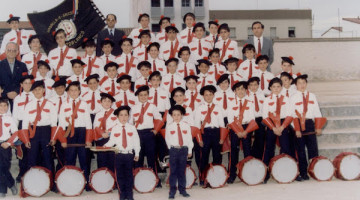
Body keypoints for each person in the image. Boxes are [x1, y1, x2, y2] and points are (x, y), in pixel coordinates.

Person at [57, 81, 93, 191]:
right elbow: (61, 124)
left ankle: (86, 183)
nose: (73, 92)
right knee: (70, 160)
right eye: (71, 90)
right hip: (69, 133)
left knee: (84, 160)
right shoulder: (64, 104)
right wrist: (63, 140)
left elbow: (88, 123)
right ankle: (70, 183)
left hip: (82, 133)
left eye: (75, 90)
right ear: (67, 92)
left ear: (79, 91)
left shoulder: (84, 104)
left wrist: (88, 139)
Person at [290, 74, 325, 181]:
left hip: (310, 124)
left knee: (313, 149)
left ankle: (315, 170)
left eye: (304, 83)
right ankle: (303, 172)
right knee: (300, 150)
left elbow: (317, 112)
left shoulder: (312, 96)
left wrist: (318, 127)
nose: (302, 85)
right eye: (299, 83)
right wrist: (296, 129)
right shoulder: (293, 97)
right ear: (296, 85)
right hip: (298, 125)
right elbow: (291, 115)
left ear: (306, 84)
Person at [22, 81, 57, 184]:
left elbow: (54, 123)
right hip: (33, 132)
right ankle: (31, 183)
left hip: (46, 131)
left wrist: (53, 138)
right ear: (32, 92)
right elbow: (25, 123)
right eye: (35, 90)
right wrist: (26, 139)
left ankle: (51, 183)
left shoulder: (50, 104)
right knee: (32, 158)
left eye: (40, 89)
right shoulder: (28, 105)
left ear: (44, 90)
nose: (37, 91)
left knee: (48, 158)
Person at [104, 106, 140, 200]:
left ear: (129, 116)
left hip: (129, 154)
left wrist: (137, 154)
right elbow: (111, 141)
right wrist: (105, 145)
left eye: (126, 115)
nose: (123, 117)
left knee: (129, 175)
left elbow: (137, 142)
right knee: (119, 175)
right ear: (117, 116)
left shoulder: (132, 128)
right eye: (121, 115)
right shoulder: (115, 128)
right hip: (119, 155)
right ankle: (122, 194)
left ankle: (129, 194)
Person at [262, 77, 294, 183]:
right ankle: (265, 174)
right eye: (274, 87)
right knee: (269, 149)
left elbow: (289, 114)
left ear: (281, 87)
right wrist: (273, 128)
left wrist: (282, 127)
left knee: (286, 148)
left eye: (278, 86)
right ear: (270, 88)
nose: (276, 89)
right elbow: (264, 116)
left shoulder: (286, 99)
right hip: (271, 126)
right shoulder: (267, 99)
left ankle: (288, 172)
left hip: (283, 125)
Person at [130, 85, 163, 187]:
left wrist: (155, 131)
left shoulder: (152, 106)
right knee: (138, 158)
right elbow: (131, 122)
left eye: (145, 95)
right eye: (141, 95)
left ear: (148, 95)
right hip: (138, 134)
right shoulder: (134, 108)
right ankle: (138, 180)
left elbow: (159, 119)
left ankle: (155, 180)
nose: (143, 97)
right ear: (137, 96)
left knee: (151, 158)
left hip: (149, 134)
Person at [226, 81, 257, 183]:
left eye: (242, 89)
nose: (240, 91)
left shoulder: (250, 102)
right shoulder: (231, 103)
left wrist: (245, 131)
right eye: (238, 89)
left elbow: (252, 118)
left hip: (246, 128)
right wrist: (237, 131)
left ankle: (248, 174)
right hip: (235, 129)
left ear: (246, 90)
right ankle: (231, 175)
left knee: (247, 152)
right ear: (235, 91)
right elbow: (230, 119)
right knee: (233, 152)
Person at [194, 85, 225, 185]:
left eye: (210, 94)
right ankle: (203, 178)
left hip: (216, 133)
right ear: (203, 96)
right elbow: (197, 125)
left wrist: (222, 138)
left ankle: (217, 178)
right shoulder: (199, 108)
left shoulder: (218, 108)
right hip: (205, 134)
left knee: (217, 156)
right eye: (206, 95)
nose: (208, 97)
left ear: (213, 95)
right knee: (204, 157)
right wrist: (199, 139)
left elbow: (222, 124)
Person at [166, 105, 193, 199]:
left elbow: (189, 139)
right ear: (171, 116)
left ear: (182, 115)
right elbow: (167, 139)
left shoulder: (186, 125)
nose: (176, 117)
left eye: (178, 114)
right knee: (173, 172)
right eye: (174, 115)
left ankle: (182, 190)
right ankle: (172, 191)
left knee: (182, 171)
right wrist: (171, 148)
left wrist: (189, 150)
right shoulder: (169, 126)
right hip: (173, 150)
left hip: (183, 150)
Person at [12, 74, 33, 182]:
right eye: (25, 83)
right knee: (22, 149)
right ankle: (22, 172)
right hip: (21, 126)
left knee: (32, 149)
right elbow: (15, 116)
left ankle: (32, 172)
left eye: (30, 83)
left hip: (32, 125)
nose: (28, 85)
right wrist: (15, 132)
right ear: (21, 85)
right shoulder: (17, 98)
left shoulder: (35, 96)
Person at [0, 42, 28, 110]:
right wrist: (6, 93)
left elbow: (25, 82)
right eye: (9, 50)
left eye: (14, 50)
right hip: (3, 100)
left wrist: (16, 92)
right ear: (5, 51)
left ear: (17, 52)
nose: (11, 52)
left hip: (19, 97)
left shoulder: (22, 66)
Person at [93, 93, 117, 172]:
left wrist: (109, 132)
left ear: (111, 103)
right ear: (101, 102)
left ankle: (112, 179)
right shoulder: (98, 114)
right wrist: (102, 133)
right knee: (101, 159)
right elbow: (95, 126)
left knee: (112, 159)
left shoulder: (115, 113)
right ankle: (101, 178)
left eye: (109, 101)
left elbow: (117, 125)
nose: (107, 103)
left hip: (112, 139)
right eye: (104, 101)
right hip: (101, 139)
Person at [0, 97, 19, 198]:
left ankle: (11, 183)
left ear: (8, 107)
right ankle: (3, 189)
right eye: (1, 106)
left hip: (5, 145)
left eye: (5, 105)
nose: (3, 107)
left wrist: (8, 143)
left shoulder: (10, 119)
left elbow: (16, 133)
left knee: (4, 167)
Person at [247, 77, 266, 159]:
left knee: (260, 139)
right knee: (248, 140)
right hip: (250, 119)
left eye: (255, 85)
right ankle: (250, 156)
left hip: (260, 119)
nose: (253, 87)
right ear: (248, 86)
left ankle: (258, 157)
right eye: (251, 85)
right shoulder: (246, 96)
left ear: (258, 85)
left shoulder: (262, 95)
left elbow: (265, 109)